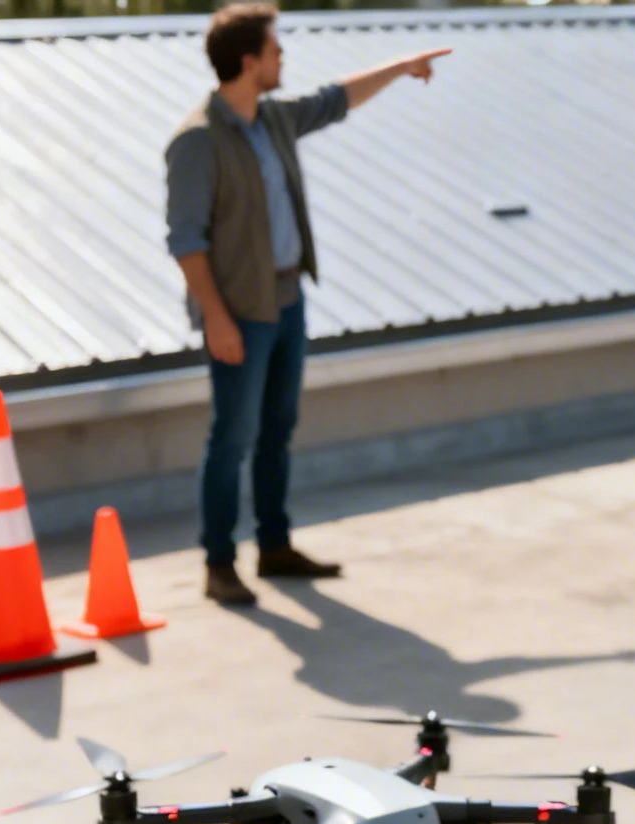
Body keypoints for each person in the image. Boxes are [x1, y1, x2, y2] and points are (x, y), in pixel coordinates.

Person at [165, 5, 451, 607]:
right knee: (232, 437)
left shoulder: (273, 121)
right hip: (240, 310)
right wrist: (216, 317)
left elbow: (337, 98)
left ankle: (275, 547)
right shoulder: (196, 141)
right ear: (250, 61)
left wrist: (401, 67)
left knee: (277, 431)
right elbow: (186, 240)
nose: (282, 59)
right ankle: (220, 563)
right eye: (275, 50)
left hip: (288, 299)